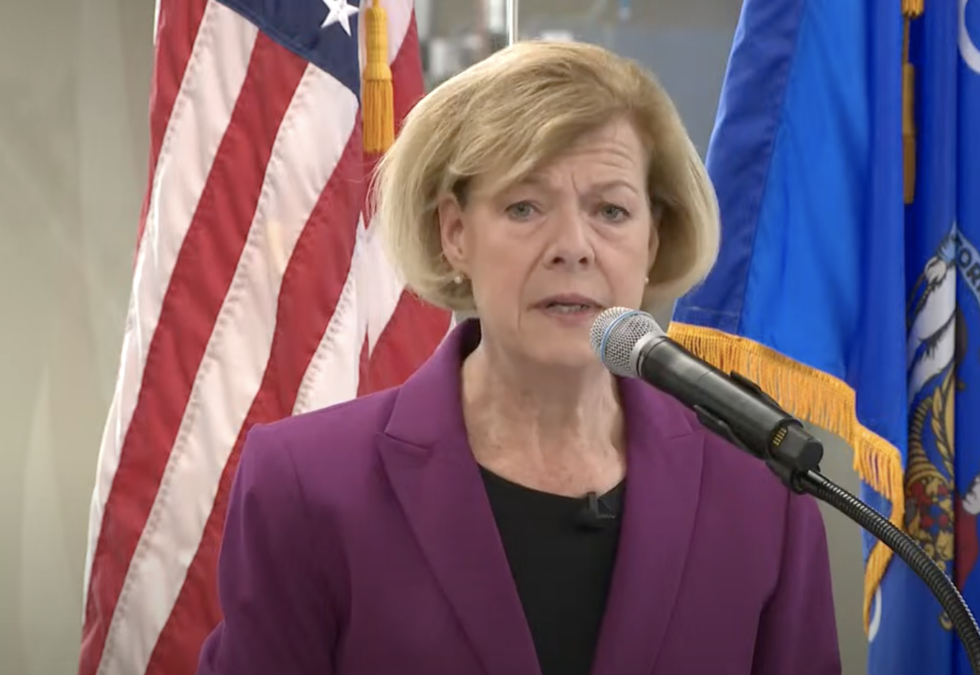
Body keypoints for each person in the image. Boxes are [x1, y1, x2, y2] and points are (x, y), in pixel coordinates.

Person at [196, 40, 841, 675]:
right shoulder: (306, 485)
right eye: (524, 206)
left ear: (654, 240)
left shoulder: (761, 494)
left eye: (611, 210)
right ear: (455, 234)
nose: (572, 246)